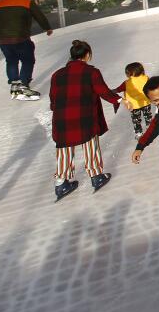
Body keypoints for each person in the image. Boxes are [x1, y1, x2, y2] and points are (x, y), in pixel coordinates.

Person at [50, 39, 120, 201]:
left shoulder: (57, 74)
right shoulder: (91, 72)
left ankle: (61, 183)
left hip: (62, 118)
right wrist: (117, 100)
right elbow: (102, 90)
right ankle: (96, 176)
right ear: (87, 55)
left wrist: (58, 109)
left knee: (64, 149)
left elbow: (53, 97)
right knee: (90, 145)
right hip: (84, 116)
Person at [113, 62, 153, 139]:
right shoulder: (146, 78)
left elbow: (118, 89)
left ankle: (139, 133)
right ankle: (150, 130)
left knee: (136, 120)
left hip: (133, 105)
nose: (126, 75)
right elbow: (152, 86)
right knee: (148, 117)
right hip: (146, 103)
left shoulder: (127, 83)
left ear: (132, 73)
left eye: (127, 73)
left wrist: (111, 91)